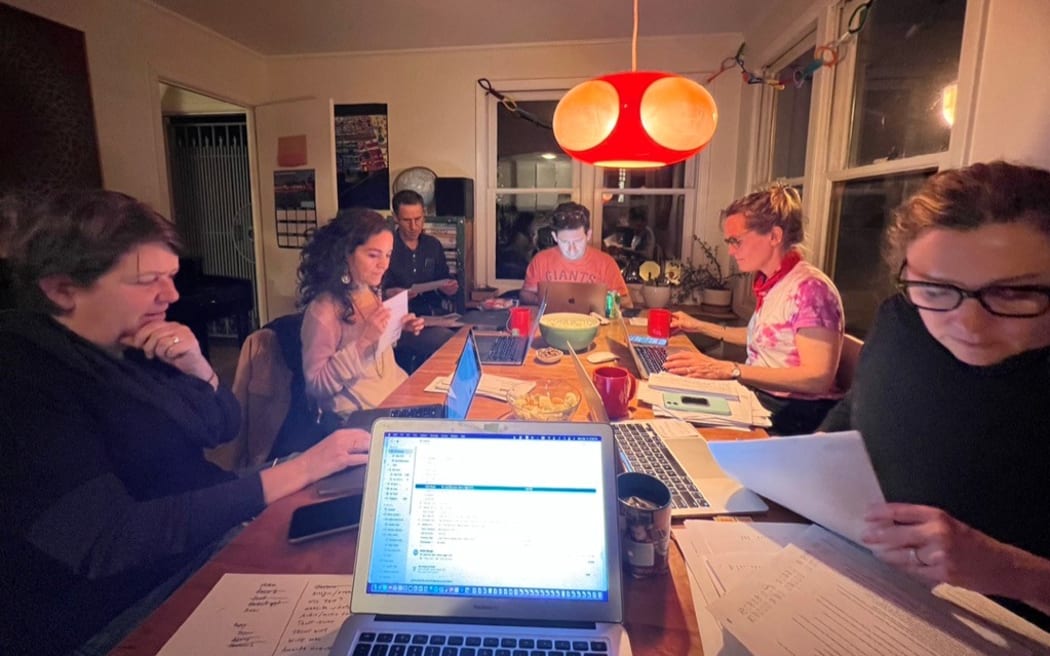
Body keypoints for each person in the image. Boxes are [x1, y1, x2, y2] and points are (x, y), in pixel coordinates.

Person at [0, 190, 371, 655]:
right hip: (126, 604)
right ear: (61, 289)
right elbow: (111, 541)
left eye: (172, 277)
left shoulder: (131, 342)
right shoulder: (22, 375)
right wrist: (297, 470)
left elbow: (222, 428)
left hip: (209, 528)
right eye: (148, 280)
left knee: (369, 520)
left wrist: (199, 367)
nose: (172, 296)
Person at [820, 161, 1050, 630]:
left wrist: (1013, 572)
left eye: (1013, 293)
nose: (967, 324)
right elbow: (861, 406)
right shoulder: (902, 320)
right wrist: (794, 469)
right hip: (858, 590)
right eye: (937, 287)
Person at [665, 184, 844, 434]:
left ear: (774, 236)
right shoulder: (773, 282)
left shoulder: (810, 289)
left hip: (794, 413)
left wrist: (731, 369)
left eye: (736, 241)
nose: (730, 250)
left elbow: (817, 378)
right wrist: (698, 325)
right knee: (671, 396)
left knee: (677, 425)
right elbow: (763, 338)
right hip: (761, 397)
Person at [300, 207, 424, 420]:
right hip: (359, 417)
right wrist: (364, 341)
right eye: (373, 255)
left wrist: (396, 326)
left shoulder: (368, 290)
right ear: (345, 254)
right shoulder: (323, 311)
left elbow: (376, 357)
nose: (384, 265)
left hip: (394, 396)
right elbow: (316, 386)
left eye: (388, 255)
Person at [383, 190, 458, 372]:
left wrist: (449, 288)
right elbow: (376, 290)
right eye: (407, 221)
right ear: (395, 218)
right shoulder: (387, 247)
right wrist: (390, 294)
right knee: (448, 342)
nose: (414, 226)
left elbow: (443, 279)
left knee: (466, 335)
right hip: (402, 322)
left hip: (433, 315)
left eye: (418, 219)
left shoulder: (432, 245)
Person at [520, 201, 633, 308]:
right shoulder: (541, 260)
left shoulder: (606, 263)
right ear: (555, 237)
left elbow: (626, 302)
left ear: (588, 235)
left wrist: (600, 301)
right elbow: (525, 295)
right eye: (565, 242)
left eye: (578, 241)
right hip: (552, 324)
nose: (572, 249)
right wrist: (546, 301)